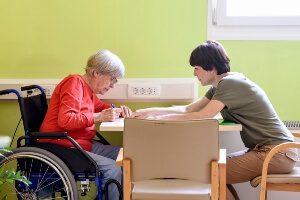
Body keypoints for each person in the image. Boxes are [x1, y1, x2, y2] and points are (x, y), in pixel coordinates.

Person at [131, 40, 298, 200]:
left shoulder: (230, 84)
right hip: (271, 151)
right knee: (214, 169)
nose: (194, 73)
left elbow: (203, 116)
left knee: (213, 172)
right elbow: (188, 109)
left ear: (211, 67)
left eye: (196, 68)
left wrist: (159, 120)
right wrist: (148, 112)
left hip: (276, 153)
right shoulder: (220, 86)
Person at [40, 49, 132, 200]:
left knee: (126, 154)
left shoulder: (87, 89)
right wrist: (99, 116)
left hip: (79, 143)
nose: (112, 85)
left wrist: (118, 110)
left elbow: (100, 107)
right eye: (112, 79)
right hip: (61, 145)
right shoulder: (74, 83)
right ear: (96, 73)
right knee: (114, 167)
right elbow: (66, 119)